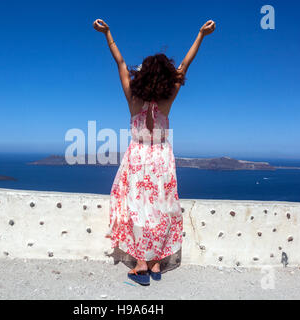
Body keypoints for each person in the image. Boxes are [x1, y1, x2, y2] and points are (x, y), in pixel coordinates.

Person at [93, 18, 216, 285]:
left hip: (137, 157)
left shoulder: (133, 99)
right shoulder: (167, 99)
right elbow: (185, 65)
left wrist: (108, 34)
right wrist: (201, 35)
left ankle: (140, 265)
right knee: (161, 208)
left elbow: (121, 64)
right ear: (165, 77)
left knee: (136, 208)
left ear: (143, 74)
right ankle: (157, 264)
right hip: (161, 157)